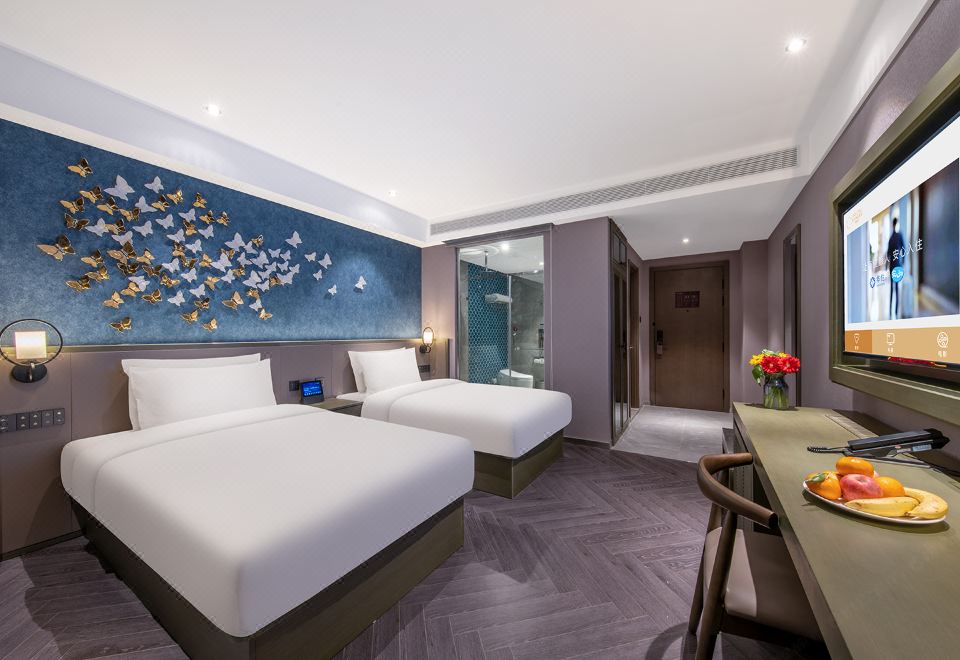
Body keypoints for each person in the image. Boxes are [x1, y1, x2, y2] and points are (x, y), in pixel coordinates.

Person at [887, 214, 905, 319]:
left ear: (892, 224)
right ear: (896, 224)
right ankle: (896, 311)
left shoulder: (891, 238)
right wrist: (903, 262)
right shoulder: (899, 236)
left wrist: (887, 265)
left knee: (891, 288)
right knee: (897, 288)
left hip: (892, 265)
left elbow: (888, 254)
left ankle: (891, 311)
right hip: (897, 264)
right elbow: (904, 249)